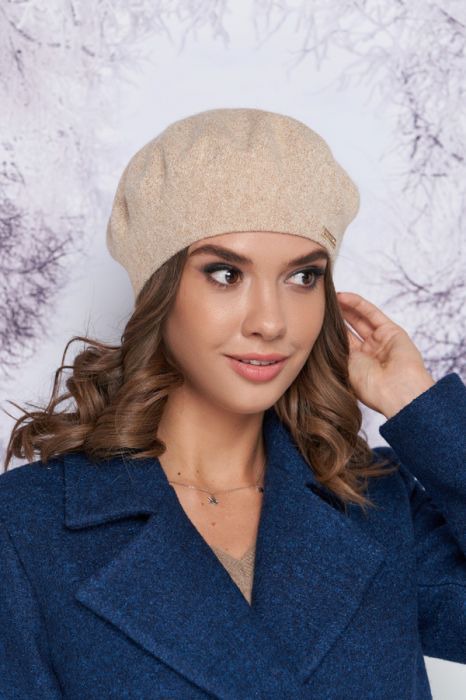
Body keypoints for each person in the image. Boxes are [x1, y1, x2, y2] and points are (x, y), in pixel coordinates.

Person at [0, 108, 465, 699]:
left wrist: (422, 410)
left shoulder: (375, 501)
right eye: (225, 274)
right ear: (158, 290)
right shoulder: (26, 529)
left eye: (302, 278)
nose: (271, 322)